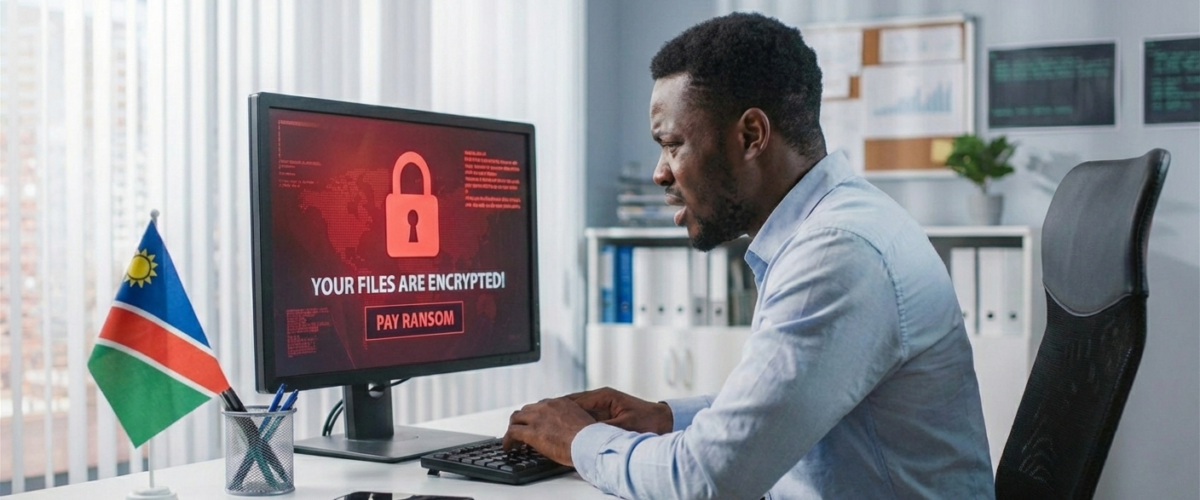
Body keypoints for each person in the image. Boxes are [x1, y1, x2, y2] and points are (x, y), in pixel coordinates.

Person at [503, 12, 994, 499]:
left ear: (752, 136)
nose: (660, 173)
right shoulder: (841, 223)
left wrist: (578, 440)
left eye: (672, 145)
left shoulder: (836, 255)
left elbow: (708, 480)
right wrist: (667, 417)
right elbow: (800, 403)